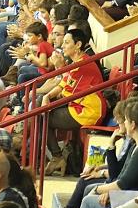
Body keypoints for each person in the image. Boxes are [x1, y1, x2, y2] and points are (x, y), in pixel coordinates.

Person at [40, 29, 105, 165]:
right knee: (39, 106)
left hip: (87, 112)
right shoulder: (76, 62)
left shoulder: (83, 66)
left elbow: (64, 94)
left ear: (78, 45)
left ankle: (56, 157)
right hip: (77, 105)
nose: (62, 46)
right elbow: (63, 84)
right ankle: (53, 156)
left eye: (67, 42)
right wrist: (47, 95)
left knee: (41, 116)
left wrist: (59, 67)